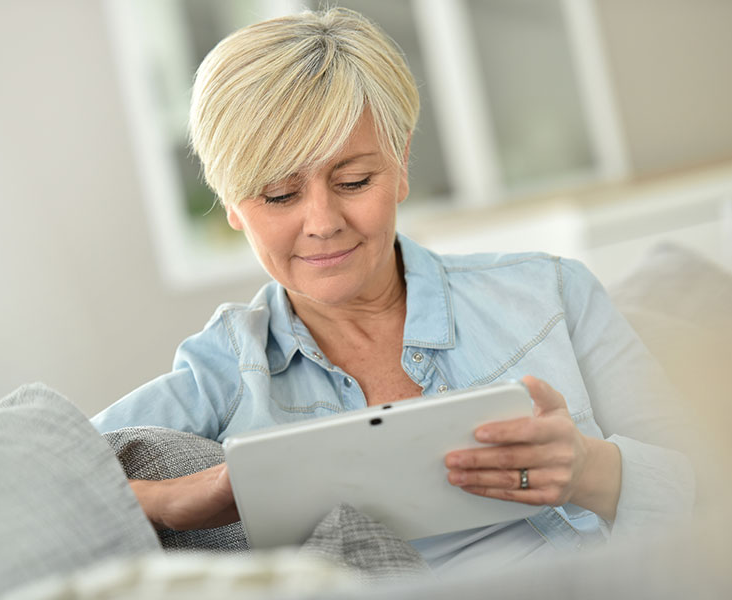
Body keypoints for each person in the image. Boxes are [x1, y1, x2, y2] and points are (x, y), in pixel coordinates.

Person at [92, 8, 694, 575]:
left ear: (402, 163)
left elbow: (717, 487)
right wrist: (168, 499)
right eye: (279, 195)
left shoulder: (551, 293)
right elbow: (23, 476)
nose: (323, 221)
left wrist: (594, 471)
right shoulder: (222, 371)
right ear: (233, 206)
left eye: (354, 180)